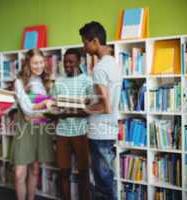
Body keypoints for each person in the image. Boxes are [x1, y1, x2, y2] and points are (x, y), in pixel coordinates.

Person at [79, 21, 122, 200]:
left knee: (102, 183)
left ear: (95, 41)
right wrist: (92, 100)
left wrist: (83, 108)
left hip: (99, 132)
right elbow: (108, 98)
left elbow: (105, 106)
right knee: (106, 180)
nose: (84, 47)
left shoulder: (99, 68)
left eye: (85, 42)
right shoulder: (114, 63)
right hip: (109, 130)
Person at [12, 48, 55, 200]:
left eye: (41, 62)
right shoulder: (19, 82)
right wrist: (43, 105)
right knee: (19, 173)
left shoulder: (46, 82)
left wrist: (43, 112)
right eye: (35, 63)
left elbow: (53, 110)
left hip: (41, 129)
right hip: (24, 130)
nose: (39, 66)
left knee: (35, 170)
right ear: (28, 64)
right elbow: (27, 109)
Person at [51, 48, 93, 200]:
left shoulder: (87, 81)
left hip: (81, 133)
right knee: (63, 171)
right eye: (65, 62)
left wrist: (68, 112)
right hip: (62, 133)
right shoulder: (59, 82)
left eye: (71, 62)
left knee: (83, 172)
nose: (67, 65)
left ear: (80, 61)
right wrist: (54, 111)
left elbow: (90, 110)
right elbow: (53, 107)